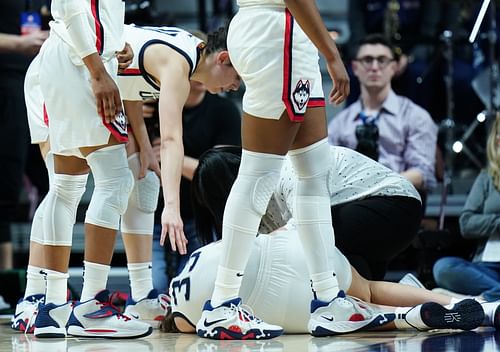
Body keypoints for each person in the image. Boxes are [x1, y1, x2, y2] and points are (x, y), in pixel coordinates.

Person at [185, 0, 367, 340]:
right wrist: (331, 54)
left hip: (289, 31)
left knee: (313, 174)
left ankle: (328, 299)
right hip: (275, 28)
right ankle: (222, 305)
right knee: (258, 175)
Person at [23, 0, 152, 339]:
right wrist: (97, 69)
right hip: (79, 59)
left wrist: (112, 42)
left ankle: (51, 308)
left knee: (65, 186)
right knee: (115, 180)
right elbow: (72, 5)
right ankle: (92, 306)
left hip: (65, 55)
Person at [160, 221, 493, 334]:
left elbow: (190, 327)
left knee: (358, 318)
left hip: (271, 299)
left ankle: (404, 319)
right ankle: (478, 306)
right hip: (288, 245)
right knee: (371, 290)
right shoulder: (194, 259)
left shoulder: (182, 313)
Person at [192, 145, 422, 283]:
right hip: (364, 220)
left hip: (396, 204)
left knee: (310, 242)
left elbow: (297, 229)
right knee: (354, 282)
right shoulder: (258, 204)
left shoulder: (285, 170)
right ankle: (405, 295)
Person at [149, 79, 241, 293]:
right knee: (154, 289)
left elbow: (220, 175)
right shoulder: (151, 107)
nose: (200, 77)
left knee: (195, 288)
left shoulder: (224, 111)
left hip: (201, 217)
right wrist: (132, 115)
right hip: (153, 216)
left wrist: (171, 158)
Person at [328, 33, 437, 207]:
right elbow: (327, 171)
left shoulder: (416, 116)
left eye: (382, 60)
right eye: (367, 60)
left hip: (397, 201)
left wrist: (376, 188)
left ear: (394, 67)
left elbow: (423, 174)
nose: (374, 67)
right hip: (350, 202)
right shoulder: (340, 123)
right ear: (355, 67)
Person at [0, 0, 49, 271]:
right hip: (7, 87)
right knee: (5, 187)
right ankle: (6, 280)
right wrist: (18, 45)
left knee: (54, 182)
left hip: (42, 86)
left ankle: (43, 275)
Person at [433, 114, 500, 302]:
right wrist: (497, 222)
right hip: (488, 269)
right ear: (497, 140)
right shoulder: (487, 178)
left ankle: (483, 300)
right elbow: (466, 223)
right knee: (444, 267)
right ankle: (493, 296)